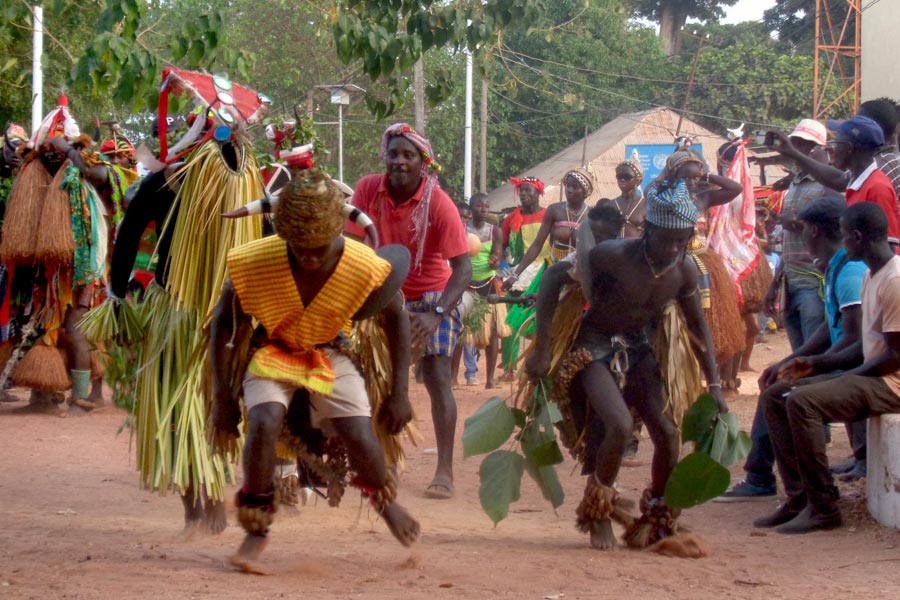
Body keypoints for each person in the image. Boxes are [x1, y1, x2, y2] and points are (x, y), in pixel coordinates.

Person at [209, 167, 419, 572]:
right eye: (297, 246)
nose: (306, 255)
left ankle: (385, 501)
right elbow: (222, 322)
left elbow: (397, 319)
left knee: (359, 432)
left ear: (337, 235)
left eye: (317, 248)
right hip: (273, 350)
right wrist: (222, 394)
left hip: (330, 351)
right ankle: (256, 526)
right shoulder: (256, 259)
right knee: (265, 421)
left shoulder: (362, 263)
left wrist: (400, 392)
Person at [526, 161, 728, 551]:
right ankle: (598, 511)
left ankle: (656, 517)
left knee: (668, 433)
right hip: (593, 349)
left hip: (638, 351)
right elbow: (552, 279)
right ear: (648, 230)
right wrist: (544, 348)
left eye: (680, 240)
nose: (671, 249)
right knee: (617, 426)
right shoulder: (614, 256)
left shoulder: (684, 270)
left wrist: (715, 383)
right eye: (665, 239)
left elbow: (698, 327)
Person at [758, 202, 900, 534]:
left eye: (846, 237)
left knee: (803, 401)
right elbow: (865, 346)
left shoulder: (894, 280)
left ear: (857, 236)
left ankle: (823, 506)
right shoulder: (871, 275)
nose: (842, 243)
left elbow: (894, 357)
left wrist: (843, 377)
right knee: (779, 394)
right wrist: (815, 364)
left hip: (891, 383)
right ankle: (800, 498)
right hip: (877, 375)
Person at [348, 123, 471, 500]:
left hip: (431, 297)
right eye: (394, 153)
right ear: (385, 157)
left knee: (436, 376)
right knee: (371, 375)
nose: (400, 160)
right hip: (382, 294)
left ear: (423, 163)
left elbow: (462, 268)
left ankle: (444, 470)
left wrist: (436, 314)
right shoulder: (368, 188)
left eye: (409, 155)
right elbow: (351, 245)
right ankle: (382, 462)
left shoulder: (438, 202)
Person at [724, 198, 866, 505]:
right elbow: (832, 327)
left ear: (813, 231)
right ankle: (768, 479)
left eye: (799, 229)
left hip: (858, 369)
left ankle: (785, 487)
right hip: (846, 364)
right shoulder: (835, 266)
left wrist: (810, 364)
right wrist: (792, 359)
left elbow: (855, 340)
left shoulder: (850, 272)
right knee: (779, 380)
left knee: (781, 391)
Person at [767, 116, 900, 245]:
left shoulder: (877, 187)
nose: (832, 149)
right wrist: (792, 152)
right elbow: (835, 179)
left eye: (836, 143)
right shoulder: (857, 181)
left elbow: (888, 245)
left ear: (849, 148)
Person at [452, 193, 505, 389]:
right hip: (465, 282)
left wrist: (495, 261)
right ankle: (453, 377)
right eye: (479, 206)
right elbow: (455, 256)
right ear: (471, 208)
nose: (483, 209)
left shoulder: (495, 232)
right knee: (460, 330)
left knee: (491, 331)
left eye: (486, 206)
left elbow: (497, 256)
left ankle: (490, 379)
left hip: (488, 282)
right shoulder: (461, 230)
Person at [498, 176, 548, 381]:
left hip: (545, 270)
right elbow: (501, 245)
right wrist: (503, 266)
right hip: (517, 272)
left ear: (538, 193)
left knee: (542, 322)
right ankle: (508, 369)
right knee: (512, 321)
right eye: (522, 191)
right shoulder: (511, 218)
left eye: (529, 191)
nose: (524, 195)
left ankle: (539, 365)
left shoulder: (548, 215)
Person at [612, 160, 645, 239]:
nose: (622, 180)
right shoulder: (610, 204)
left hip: (637, 250)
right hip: (613, 250)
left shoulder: (645, 205)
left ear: (638, 180)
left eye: (627, 177)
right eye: (619, 177)